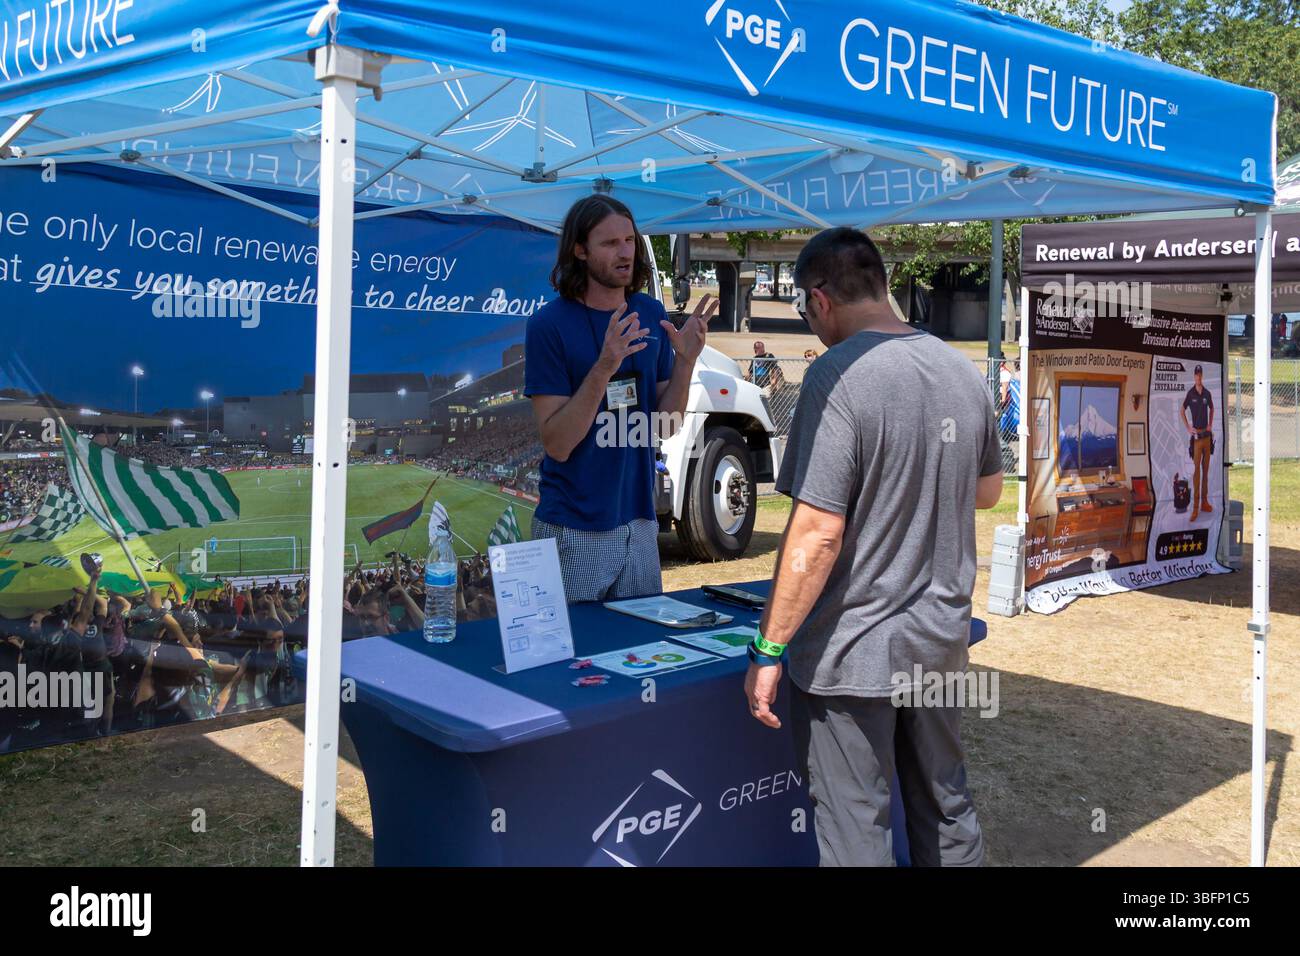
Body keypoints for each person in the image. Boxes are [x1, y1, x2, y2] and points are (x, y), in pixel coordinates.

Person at [743, 226, 1004, 867]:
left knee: (857, 832)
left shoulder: (839, 374)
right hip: (938, 640)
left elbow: (817, 531)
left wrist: (768, 648)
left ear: (819, 298)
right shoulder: (958, 367)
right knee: (947, 811)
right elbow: (988, 491)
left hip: (851, 652)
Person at [524, 195, 715, 602]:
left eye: (629, 240)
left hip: (640, 525)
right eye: (610, 243)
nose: (625, 252)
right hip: (573, 529)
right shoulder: (548, 325)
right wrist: (603, 367)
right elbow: (557, 444)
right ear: (580, 249)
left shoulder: (649, 313)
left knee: (639, 654)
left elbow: (666, 425)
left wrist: (685, 363)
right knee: (572, 661)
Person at [1180, 364, 1215, 520]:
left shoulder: (1207, 393)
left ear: (1202, 376)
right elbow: (1182, 410)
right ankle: (1195, 508)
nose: (1198, 377)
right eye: (1196, 375)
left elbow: (1212, 409)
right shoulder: (1190, 393)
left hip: (1207, 438)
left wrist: (1210, 424)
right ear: (1194, 377)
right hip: (1196, 440)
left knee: (1206, 473)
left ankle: (1204, 503)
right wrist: (1188, 427)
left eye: (1200, 375)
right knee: (1196, 474)